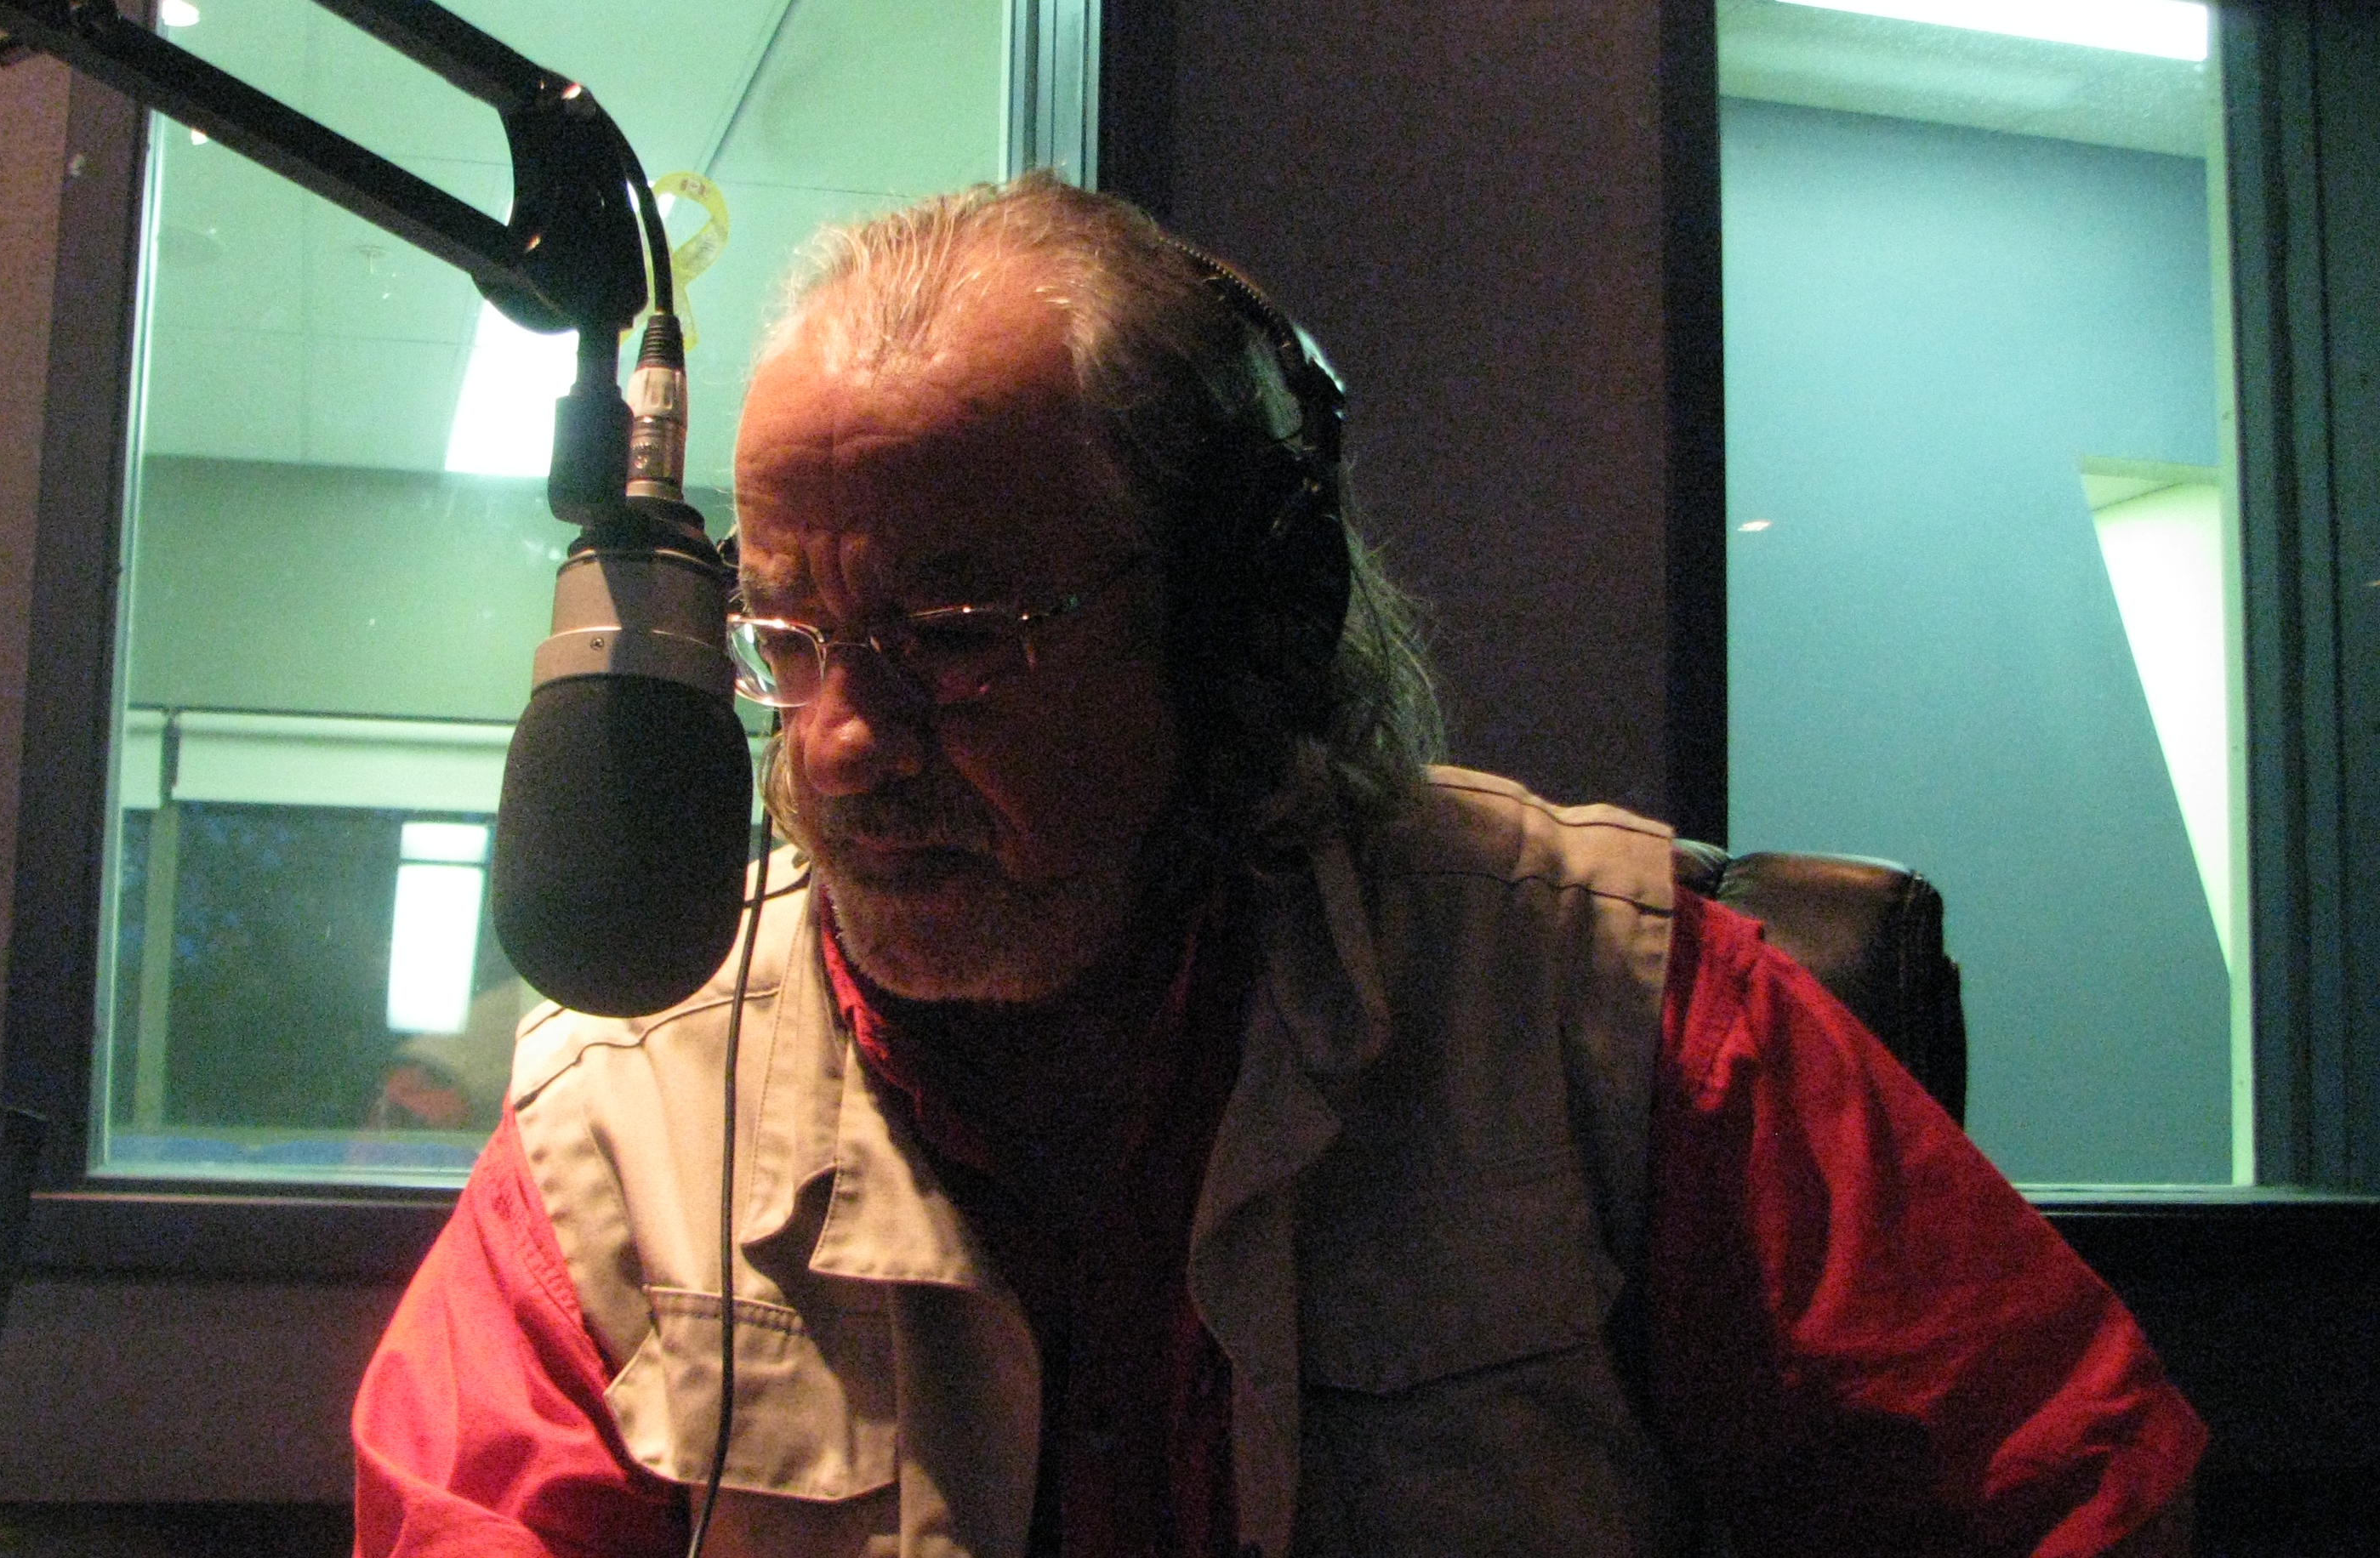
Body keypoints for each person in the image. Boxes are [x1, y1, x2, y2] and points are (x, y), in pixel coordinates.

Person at [352, 172, 2203, 1558]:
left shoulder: (1612, 1018)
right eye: (792, 640)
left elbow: (2070, 1500)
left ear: (1241, 622)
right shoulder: (619, 1117)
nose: (840, 742)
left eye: (960, 634)